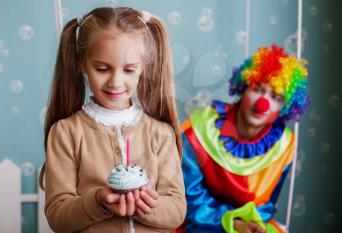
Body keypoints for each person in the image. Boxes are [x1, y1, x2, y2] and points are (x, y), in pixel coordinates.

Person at [39, 7, 186, 233]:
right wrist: (98, 201)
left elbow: (176, 211)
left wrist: (144, 204)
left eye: (129, 70)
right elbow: (59, 217)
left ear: (143, 67)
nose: (116, 82)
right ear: (82, 65)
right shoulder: (66, 133)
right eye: (102, 69)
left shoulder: (160, 134)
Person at [176, 45, 309, 233]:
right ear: (244, 86)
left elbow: (264, 206)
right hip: (199, 223)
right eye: (257, 88)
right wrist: (232, 223)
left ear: (285, 107)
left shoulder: (284, 145)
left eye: (276, 97)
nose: (262, 103)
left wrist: (248, 225)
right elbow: (188, 197)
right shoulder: (199, 128)